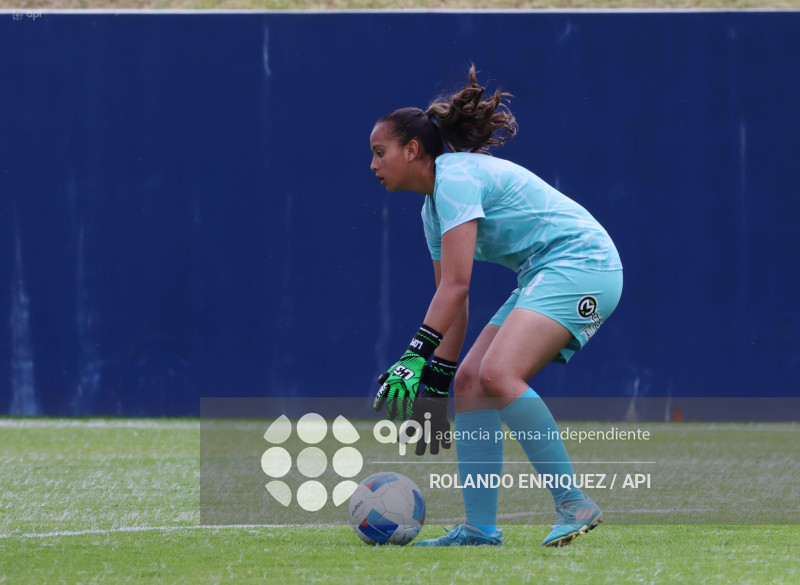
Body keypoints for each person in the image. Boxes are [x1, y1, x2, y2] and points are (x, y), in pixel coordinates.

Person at [371, 65, 623, 547]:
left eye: (380, 152)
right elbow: (452, 298)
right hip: (546, 272)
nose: (373, 165)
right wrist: (437, 383)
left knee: (500, 373)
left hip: (584, 264)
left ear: (413, 150)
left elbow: (457, 287)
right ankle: (480, 528)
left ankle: (574, 503)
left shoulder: (454, 178)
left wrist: (412, 358)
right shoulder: (432, 208)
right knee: (470, 381)